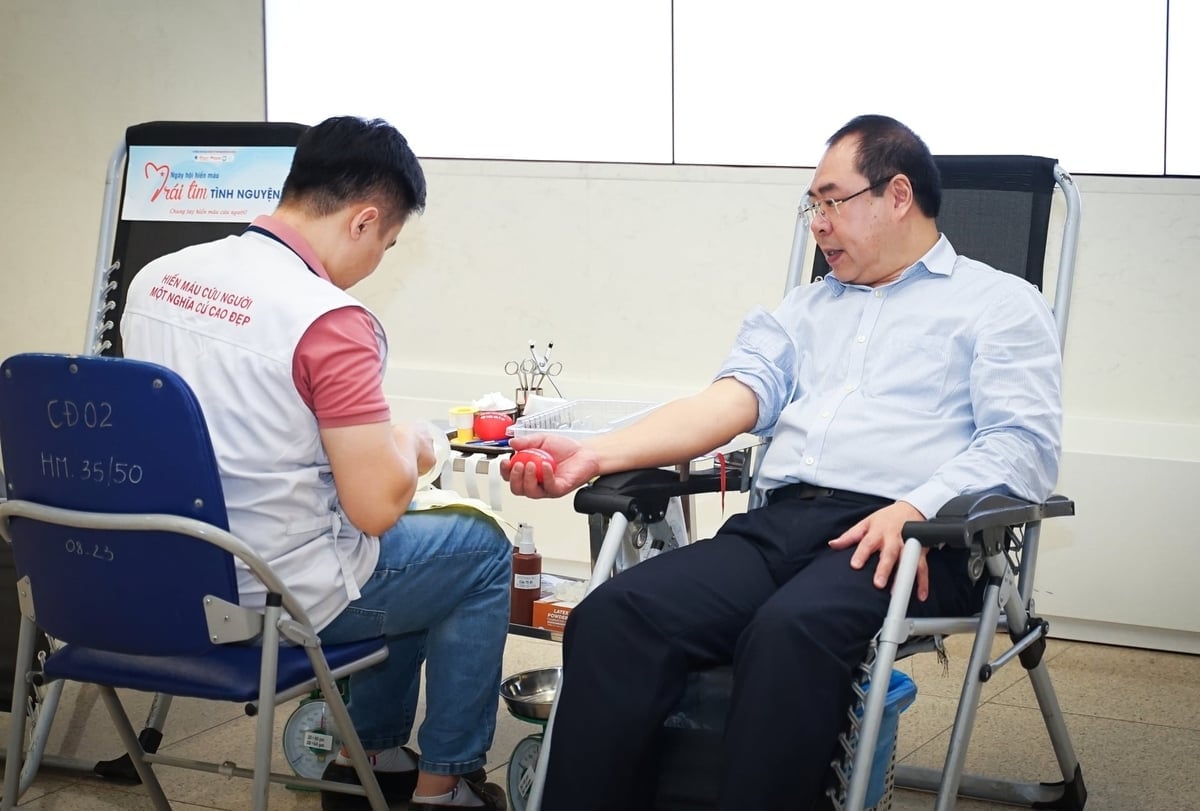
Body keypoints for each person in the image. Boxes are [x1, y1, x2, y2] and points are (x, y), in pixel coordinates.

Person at [503, 114, 1063, 811]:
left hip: (910, 538)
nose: (817, 224)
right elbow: (727, 402)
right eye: (813, 206)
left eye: (832, 201)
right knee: (616, 614)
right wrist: (594, 454)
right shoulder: (800, 311)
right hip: (780, 526)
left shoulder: (999, 304)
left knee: (788, 633)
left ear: (896, 195)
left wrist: (918, 505)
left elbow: (1024, 446)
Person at [121, 116, 510, 811]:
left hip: (157, 578)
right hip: (271, 597)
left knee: (418, 555)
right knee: (476, 549)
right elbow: (374, 507)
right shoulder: (328, 319)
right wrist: (415, 446)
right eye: (388, 244)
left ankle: (374, 758)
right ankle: (441, 787)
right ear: (364, 221)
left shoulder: (158, 280)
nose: (379, 260)